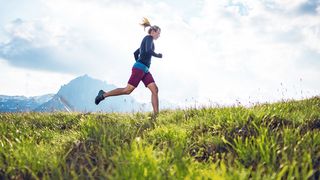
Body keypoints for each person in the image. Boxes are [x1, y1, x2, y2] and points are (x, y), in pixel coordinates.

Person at [95, 17, 162, 115]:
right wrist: (157, 55)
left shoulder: (147, 41)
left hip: (144, 69)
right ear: (153, 31)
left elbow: (136, 53)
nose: (159, 35)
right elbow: (148, 51)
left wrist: (140, 62)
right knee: (127, 90)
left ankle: (156, 115)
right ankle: (103, 95)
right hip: (140, 68)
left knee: (155, 90)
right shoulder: (149, 38)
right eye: (159, 33)